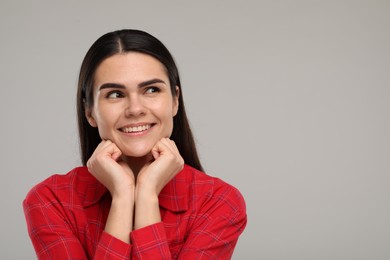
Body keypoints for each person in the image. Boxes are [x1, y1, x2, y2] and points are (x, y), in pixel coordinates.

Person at [23, 29, 247, 259]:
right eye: (115, 94)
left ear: (175, 101)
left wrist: (147, 194)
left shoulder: (219, 202)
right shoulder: (51, 200)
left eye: (152, 90)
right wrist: (122, 196)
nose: (135, 109)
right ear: (89, 111)